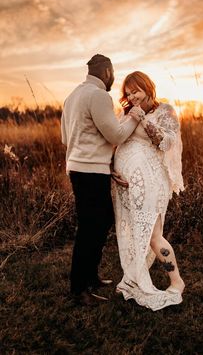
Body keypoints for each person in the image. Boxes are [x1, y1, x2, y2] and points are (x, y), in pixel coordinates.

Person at [61, 54, 142, 306]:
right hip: (89, 172)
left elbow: (66, 138)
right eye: (113, 73)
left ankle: (91, 276)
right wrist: (134, 117)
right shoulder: (98, 96)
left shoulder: (72, 95)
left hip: (81, 168)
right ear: (107, 72)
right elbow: (116, 135)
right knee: (89, 229)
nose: (114, 78)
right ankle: (79, 289)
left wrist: (106, 163)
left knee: (101, 221)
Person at [112, 71, 185, 311]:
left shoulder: (165, 111)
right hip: (128, 185)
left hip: (152, 182)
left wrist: (142, 119)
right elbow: (116, 141)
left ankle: (177, 282)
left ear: (148, 88)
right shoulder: (125, 113)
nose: (132, 96)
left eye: (137, 91)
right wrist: (113, 169)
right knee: (133, 233)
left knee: (153, 234)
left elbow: (164, 142)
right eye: (128, 92)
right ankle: (134, 278)